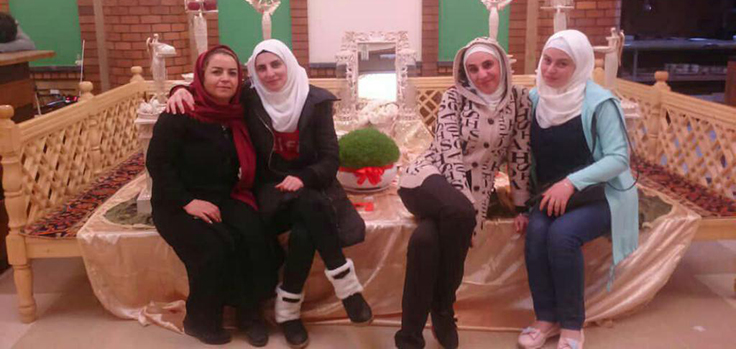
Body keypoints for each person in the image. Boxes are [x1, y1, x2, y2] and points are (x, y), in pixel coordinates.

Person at [167, 39, 372, 349]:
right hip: (269, 190)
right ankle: (346, 286)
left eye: (276, 64)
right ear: (253, 72)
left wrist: (303, 178)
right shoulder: (250, 98)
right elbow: (211, 87)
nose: (269, 73)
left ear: (289, 63)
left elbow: (330, 158)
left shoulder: (316, 101)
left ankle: (288, 313)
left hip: (311, 185)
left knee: (305, 226)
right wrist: (178, 90)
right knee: (309, 208)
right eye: (261, 68)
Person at [395, 37, 532, 349]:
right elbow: (449, 151)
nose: (481, 74)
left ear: (502, 64)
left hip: (473, 192)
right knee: (458, 213)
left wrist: (522, 205)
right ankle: (444, 308)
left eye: (487, 65)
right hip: (427, 178)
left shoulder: (520, 100)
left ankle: (409, 336)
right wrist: (466, 203)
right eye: (473, 69)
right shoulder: (453, 97)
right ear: (464, 72)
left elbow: (520, 153)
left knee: (425, 241)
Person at [147, 46, 278, 347]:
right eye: (216, 72)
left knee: (255, 234)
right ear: (201, 76)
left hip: (223, 195)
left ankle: (250, 314)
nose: (225, 79)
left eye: (232, 73)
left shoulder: (236, 110)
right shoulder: (180, 112)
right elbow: (158, 164)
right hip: (177, 202)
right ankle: (200, 320)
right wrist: (187, 202)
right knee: (214, 246)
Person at [517, 30, 638, 349]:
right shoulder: (535, 100)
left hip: (601, 194)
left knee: (562, 236)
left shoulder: (600, 103)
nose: (550, 69)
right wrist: (522, 204)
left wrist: (570, 183)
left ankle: (572, 325)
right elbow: (523, 154)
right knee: (536, 233)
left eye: (562, 63)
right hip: (552, 195)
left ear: (580, 66)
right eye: (547, 60)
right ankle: (546, 318)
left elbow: (618, 158)